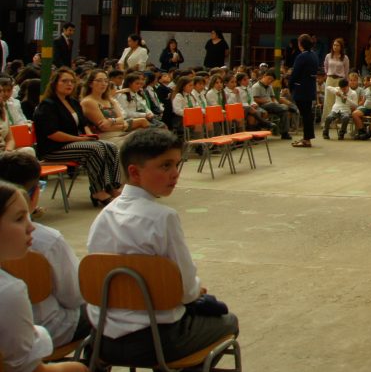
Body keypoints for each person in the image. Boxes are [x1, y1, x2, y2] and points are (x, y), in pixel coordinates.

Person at [86, 129, 239, 367]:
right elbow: (187, 291)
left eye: (177, 165)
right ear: (134, 172)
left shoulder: (104, 216)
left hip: (103, 338)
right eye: (165, 166)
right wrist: (196, 291)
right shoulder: (162, 218)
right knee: (228, 321)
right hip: (158, 340)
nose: (175, 174)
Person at [0, 152, 91, 348]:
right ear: (33, 193)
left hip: (18, 337)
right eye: (18, 219)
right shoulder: (48, 240)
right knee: (101, 309)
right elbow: (74, 296)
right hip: (51, 328)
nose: (29, 228)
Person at [33, 68, 123, 207]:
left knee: (109, 146)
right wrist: (80, 139)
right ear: (55, 83)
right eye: (64, 81)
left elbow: (83, 125)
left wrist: (89, 136)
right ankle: (98, 191)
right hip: (54, 148)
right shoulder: (47, 105)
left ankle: (113, 186)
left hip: (73, 143)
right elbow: (52, 134)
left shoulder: (73, 102)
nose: (69, 84)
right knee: (96, 149)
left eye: (72, 81)